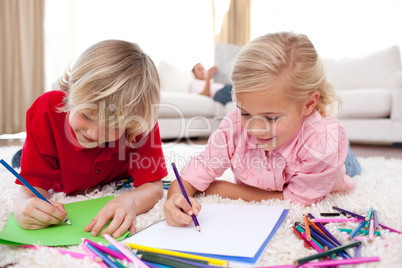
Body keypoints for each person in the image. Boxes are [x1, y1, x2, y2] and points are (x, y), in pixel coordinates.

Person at [164, 32, 361, 227]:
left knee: (349, 164)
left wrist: (222, 188)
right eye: (246, 113)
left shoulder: (322, 143)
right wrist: (176, 198)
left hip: (335, 162)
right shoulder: (234, 126)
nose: (255, 129)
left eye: (270, 118)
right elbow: (192, 176)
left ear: (309, 104)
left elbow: (297, 200)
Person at [13, 40, 168, 238]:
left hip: (110, 176)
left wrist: (131, 201)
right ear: (71, 91)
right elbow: (32, 187)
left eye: (112, 127)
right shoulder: (46, 111)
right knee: (19, 161)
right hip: (55, 166)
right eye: (86, 115)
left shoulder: (139, 122)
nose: (94, 135)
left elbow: (153, 186)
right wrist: (23, 203)